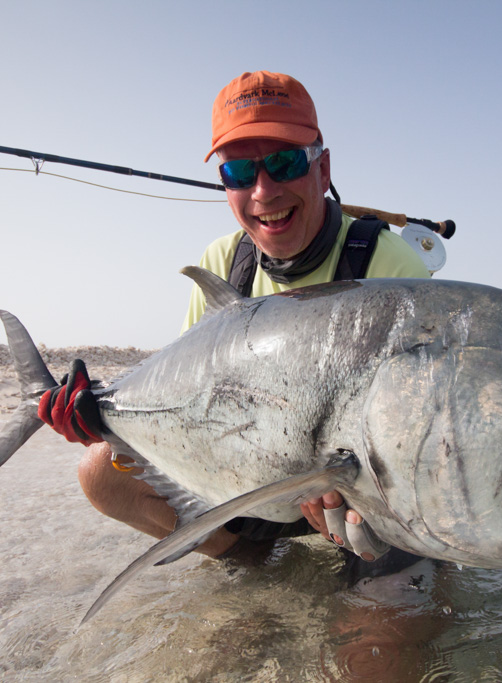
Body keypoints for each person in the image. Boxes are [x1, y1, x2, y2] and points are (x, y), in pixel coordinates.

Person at [43, 71, 430, 569]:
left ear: (324, 167)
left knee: (378, 643)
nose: (264, 192)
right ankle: (251, 561)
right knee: (101, 472)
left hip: (364, 500)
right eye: (240, 174)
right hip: (251, 481)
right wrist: (101, 415)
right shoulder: (225, 262)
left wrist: (361, 498)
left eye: (285, 163)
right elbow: (186, 400)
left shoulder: (391, 267)